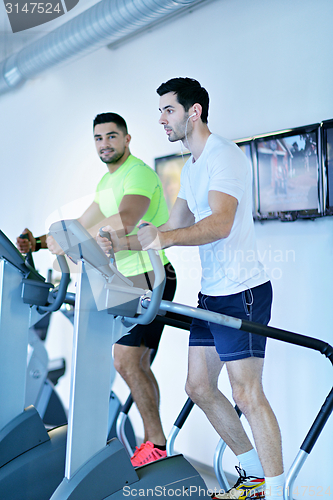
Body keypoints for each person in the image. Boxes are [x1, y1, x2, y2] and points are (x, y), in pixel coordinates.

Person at [130, 78, 284, 498]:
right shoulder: (192, 166)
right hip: (213, 293)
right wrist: (127, 241)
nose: (161, 118)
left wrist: (166, 240)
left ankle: (277, 490)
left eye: (168, 110)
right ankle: (253, 478)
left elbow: (220, 223)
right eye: (160, 111)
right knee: (198, 386)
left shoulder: (223, 157)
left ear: (193, 111)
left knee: (247, 394)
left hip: (242, 291)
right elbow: (176, 224)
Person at [16, 112, 177, 467]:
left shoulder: (137, 173)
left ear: (127, 139)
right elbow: (84, 222)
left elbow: (124, 219)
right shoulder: (107, 182)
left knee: (126, 361)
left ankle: (156, 443)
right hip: (125, 280)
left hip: (149, 277)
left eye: (111, 136)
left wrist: (71, 239)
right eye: (98, 138)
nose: (104, 144)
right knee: (134, 363)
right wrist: (41, 243)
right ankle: (156, 443)